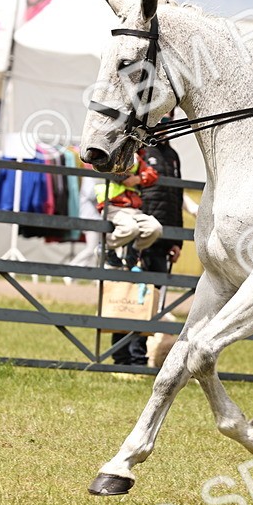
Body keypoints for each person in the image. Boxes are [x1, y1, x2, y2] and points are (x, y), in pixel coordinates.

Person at [109, 136, 183, 365]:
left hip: (160, 234)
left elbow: (175, 198)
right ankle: (123, 356)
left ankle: (138, 355)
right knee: (130, 296)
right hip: (139, 232)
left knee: (152, 301)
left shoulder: (172, 155)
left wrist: (176, 240)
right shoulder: (138, 149)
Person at [96, 149, 162, 265]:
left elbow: (153, 174)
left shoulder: (136, 158)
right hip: (113, 205)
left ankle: (133, 251)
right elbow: (114, 174)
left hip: (133, 208)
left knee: (155, 228)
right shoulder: (108, 153)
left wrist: (138, 178)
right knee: (131, 228)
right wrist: (131, 172)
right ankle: (106, 247)